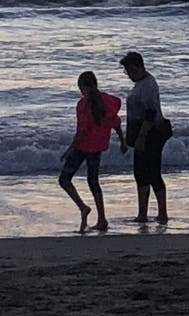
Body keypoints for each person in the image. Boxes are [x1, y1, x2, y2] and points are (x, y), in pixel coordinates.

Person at [59, 70, 124, 233]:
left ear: (85, 87)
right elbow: (116, 123)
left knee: (64, 179)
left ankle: (84, 208)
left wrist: (70, 149)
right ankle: (101, 218)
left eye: (81, 88)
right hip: (97, 147)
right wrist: (122, 141)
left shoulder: (84, 105)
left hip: (83, 147)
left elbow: (82, 131)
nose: (81, 92)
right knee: (93, 181)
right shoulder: (106, 101)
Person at [120, 51, 171, 224]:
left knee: (152, 173)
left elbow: (150, 113)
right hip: (142, 132)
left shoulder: (148, 84)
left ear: (141, 67)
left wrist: (142, 136)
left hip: (151, 133)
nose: (130, 75)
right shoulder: (140, 84)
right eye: (127, 72)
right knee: (141, 173)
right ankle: (143, 213)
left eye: (132, 71)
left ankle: (160, 213)